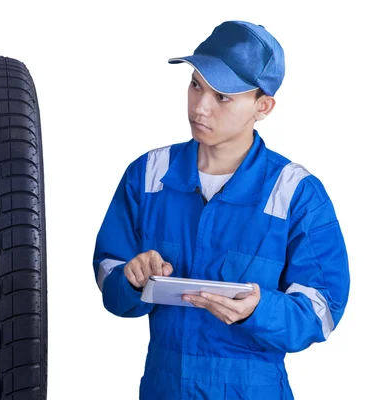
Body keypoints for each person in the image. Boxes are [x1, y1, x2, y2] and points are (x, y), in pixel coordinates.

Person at [92, 20, 350, 399]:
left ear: (263, 106)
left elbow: (323, 309)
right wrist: (130, 279)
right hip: (164, 387)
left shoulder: (295, 192)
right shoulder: (149, 175)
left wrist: (259, 310)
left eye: (223, 96)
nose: (200, 107)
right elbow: (108, 271)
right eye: (196, 84)